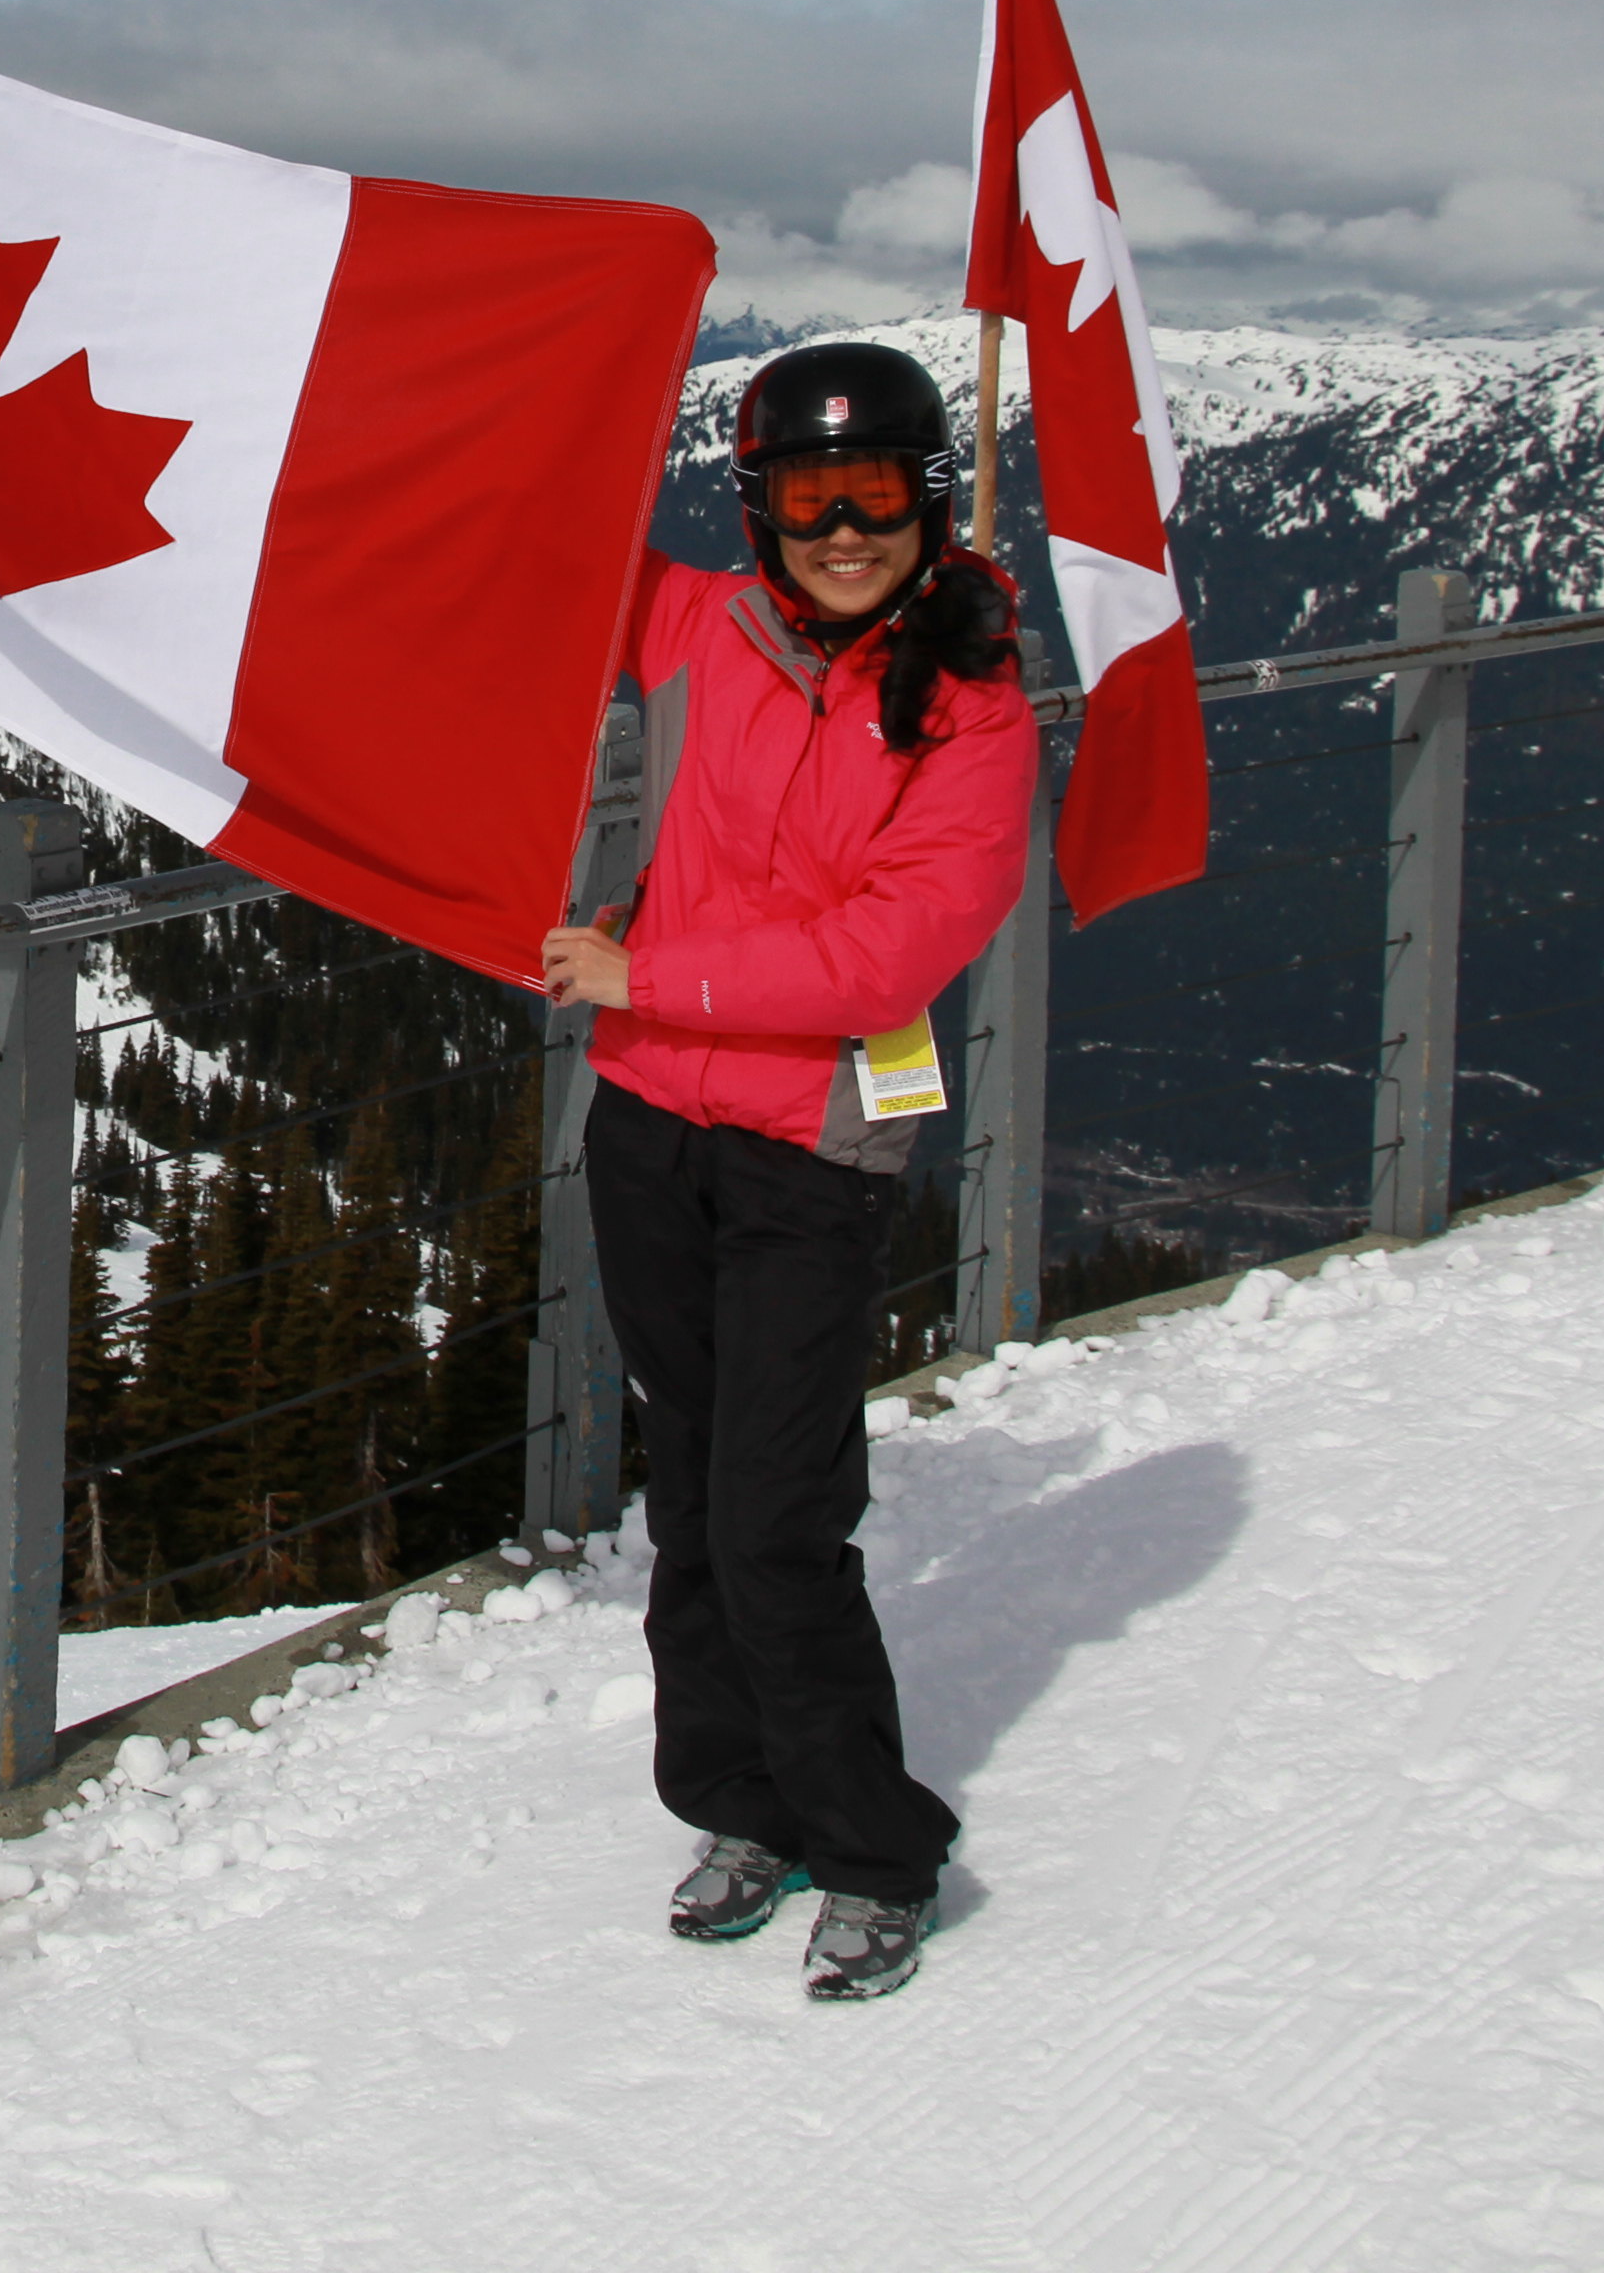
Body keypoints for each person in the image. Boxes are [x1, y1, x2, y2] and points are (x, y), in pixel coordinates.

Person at [540, 339, 1033, 2002]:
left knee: (775, 1516)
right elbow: (525, 555)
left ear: (928, 499)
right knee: (690, 1490)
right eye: (808, 496)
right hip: (646, 1131)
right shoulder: (692, 625)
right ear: (753, 505)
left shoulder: (970, 712)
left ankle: (876, 1846)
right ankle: (737, 1803)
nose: (843, 529)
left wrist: (647, 978)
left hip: (812, 1153)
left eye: (876, 493)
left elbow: (884, 961)